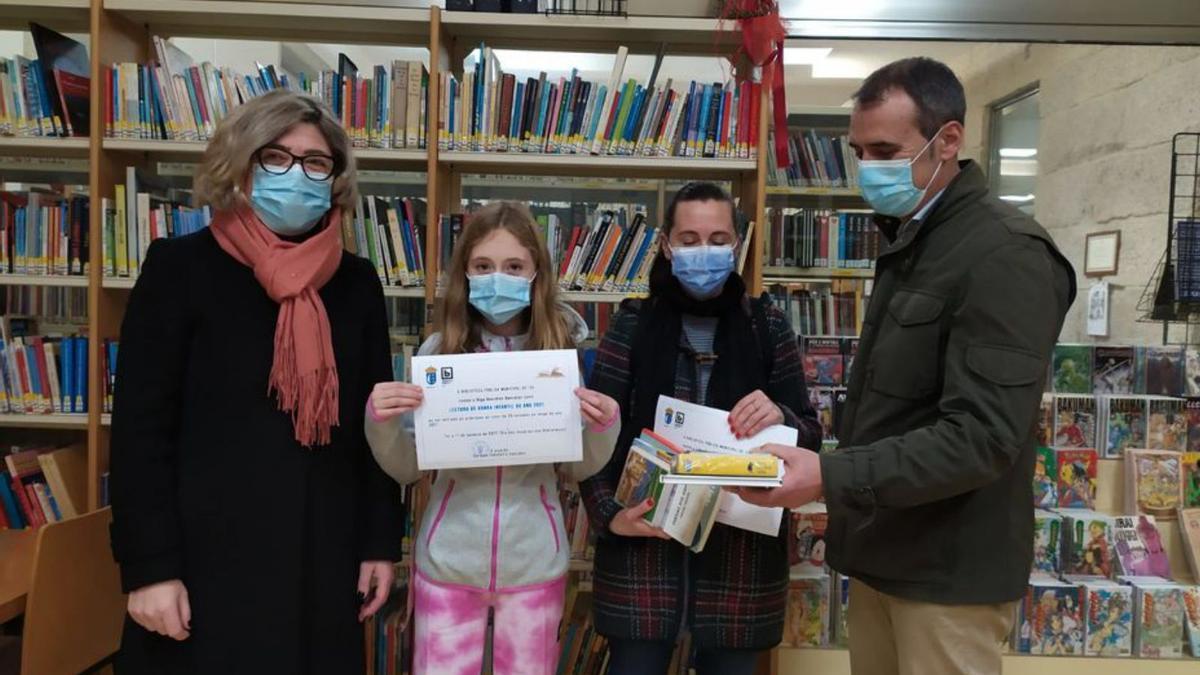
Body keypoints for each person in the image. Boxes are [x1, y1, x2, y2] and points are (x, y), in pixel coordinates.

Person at [737, 57, 1075, 674]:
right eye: (858, 150)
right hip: (888, 554)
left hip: (947, 573)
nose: (869, 168)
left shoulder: (1005, 254)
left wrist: (830, 477)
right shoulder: (915, 239)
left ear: (948, 140)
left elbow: (983, 436)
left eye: (886, 149)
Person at [108, 90, 403, 674]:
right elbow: (141, 433)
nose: (297, 174)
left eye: (316, 162)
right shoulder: (179, 269)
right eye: (277, 157)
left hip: (322, 555)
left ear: (335, 179)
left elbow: (374, 428)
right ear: (241, 165)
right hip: (205, 561)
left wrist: (378, 543)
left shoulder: (357, 283)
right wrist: (150, 569)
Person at [364, 201, 621, 675]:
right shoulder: (439, 353)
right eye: (483, 266)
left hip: (534, 563)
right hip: (448, 562)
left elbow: (579, 467)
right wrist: (380, 422)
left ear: (535, 275)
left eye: (513, 267)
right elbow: (407, 467)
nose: (496, 278)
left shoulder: (560, 355)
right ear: (464, 273)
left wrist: (605, 427)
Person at [579, 182, 823, 674]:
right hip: (642, 558)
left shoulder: (767, 326)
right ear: (667, 246)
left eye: (717, 239)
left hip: (742, 564)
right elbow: (593, 438)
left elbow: (811, 435)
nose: (703, 251)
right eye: (689, 240)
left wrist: (781, 414)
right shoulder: (631, 324)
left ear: (736, 245)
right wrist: (609, 515)